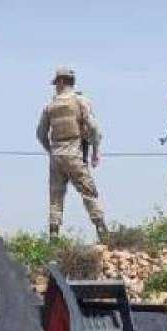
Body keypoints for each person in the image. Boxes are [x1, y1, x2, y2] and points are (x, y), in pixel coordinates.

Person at [36, 67, 108, 239]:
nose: (55, 87)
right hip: (74, 152)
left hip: (56, 155)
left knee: (56, 196)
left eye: (56, 83)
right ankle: (102, 230)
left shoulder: (50, 106)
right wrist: (95, 152)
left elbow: (40, 134)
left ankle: (54, 236)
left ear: (61, 82)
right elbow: (95, 129)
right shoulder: (80, 101)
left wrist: (51, 150)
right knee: (88, 191)